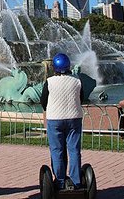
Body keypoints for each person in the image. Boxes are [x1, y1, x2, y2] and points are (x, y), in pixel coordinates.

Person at [39, 53, 85, 191]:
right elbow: (81, 98)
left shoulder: (50, 82)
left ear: (55, 68)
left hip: (55, 120)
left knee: (57, 150)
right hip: (74, 119)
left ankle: (59, 181)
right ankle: (76, 181)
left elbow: (43, 100)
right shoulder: (77, 81)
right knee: (74, 150)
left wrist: (50, 109)